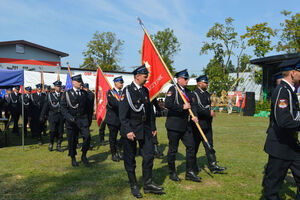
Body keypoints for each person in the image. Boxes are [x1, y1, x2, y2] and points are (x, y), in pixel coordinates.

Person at [119, 65, 164, 198]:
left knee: (149, 155)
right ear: (137, 76)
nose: (147, 78)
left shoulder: (145, 90)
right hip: (131, 129)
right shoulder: (127, 91)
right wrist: (128, 130)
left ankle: (148, 184)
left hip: (145, 128)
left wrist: (153, 127)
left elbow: (149, 111)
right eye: (145, 76)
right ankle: (134, 185)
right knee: (130, 158)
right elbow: (122, 115)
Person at [262, 59, 300, 200]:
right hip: (280, 146)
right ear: (292, 73)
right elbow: (283, 121)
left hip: (291, 145)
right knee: (272, 187)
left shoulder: (290, 91)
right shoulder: (282, 91)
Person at [165, 69, 201, 182]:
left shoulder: (188, 92)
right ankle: (172, 173)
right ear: (178, 79)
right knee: (173, 150)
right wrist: (181, 107)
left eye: (187, 79)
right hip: (174, 125)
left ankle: (189, 172)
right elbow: (168, 104)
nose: (187, 80)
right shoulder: (173, 90)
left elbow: (193, 105)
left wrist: (194, 116)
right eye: (185, 79)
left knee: (191, 147)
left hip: (186, 125)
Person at [193, 75, 226, 174]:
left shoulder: (207, 94)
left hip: (207, 125)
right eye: (205, 82)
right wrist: (208, 113)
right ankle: (193, 166)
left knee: (209, 145)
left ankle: (213, 165)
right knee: (194, 147)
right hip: (198, 125)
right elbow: (196, 109)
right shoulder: (194, 94)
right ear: (199, 83)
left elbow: (208, 107)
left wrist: (210, 113)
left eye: (207, 83)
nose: (207, 84)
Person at [60, 74, 91, 167]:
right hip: (72, 120)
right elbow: (63, 108)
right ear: (73, 82)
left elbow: (88, 108)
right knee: (72, 140)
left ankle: (84, 155)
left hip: (82, 119)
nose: (80, 83)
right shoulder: (66, 94)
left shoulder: (84, 93)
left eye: (81, 81)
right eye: (78, 81)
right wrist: (69, 117)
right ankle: (73, 158)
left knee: (87, 137)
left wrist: (88, 119)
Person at [104, 76, 124, 162]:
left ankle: (118, 146)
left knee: (125, 134)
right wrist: (124, 105)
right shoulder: (110, 93)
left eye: (122, 82)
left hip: (122, 118)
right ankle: (114, 154)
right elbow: (114, 103)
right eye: (120, 82)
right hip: (113, 118)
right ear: (115, 83)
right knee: (113, 137)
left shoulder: (124, 92)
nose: (122, 84)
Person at [40, 81, 64, 152]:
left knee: (60, 131)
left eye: (59, 86)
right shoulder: (50, 95)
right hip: (52, 115)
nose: (58, 88)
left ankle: (58, 145)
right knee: (52, 131)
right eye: (57, 86)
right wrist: (42, 115)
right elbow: (45, 106)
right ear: (55, 87)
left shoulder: (64, 95)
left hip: (61, 116)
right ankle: (51, 143)